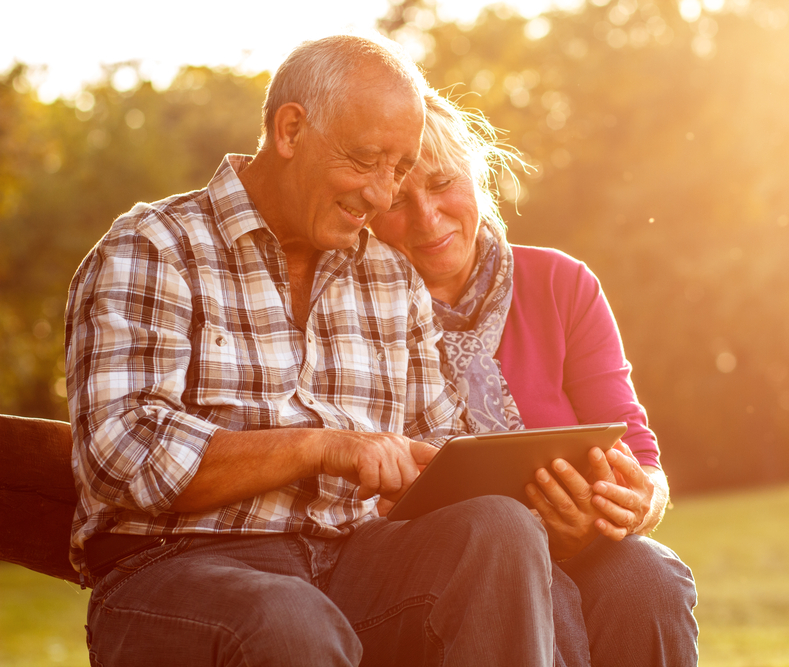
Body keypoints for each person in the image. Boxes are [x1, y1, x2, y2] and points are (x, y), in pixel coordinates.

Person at [65, 35, 578, 667]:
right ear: (289, 129)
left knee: (499, 530)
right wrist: (320, 445)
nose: (385, 194)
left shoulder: (391, 278)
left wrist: (515, 481)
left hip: (348, 564)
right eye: (366, 161)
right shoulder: (153, 249)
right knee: (290, 622)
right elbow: (120, 454)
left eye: (400, 167)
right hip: (173, 569)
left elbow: (440, 441)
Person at [369, 91, 700, 666]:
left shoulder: (560, 284)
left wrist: (632, 505)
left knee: (650, 580)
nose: (427, 217)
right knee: (541, 588)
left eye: (444, 182)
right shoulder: (357, 308)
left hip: (580, 545)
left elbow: (642, 458)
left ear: (479, 180)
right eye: (399, 200)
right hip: (444, 562)